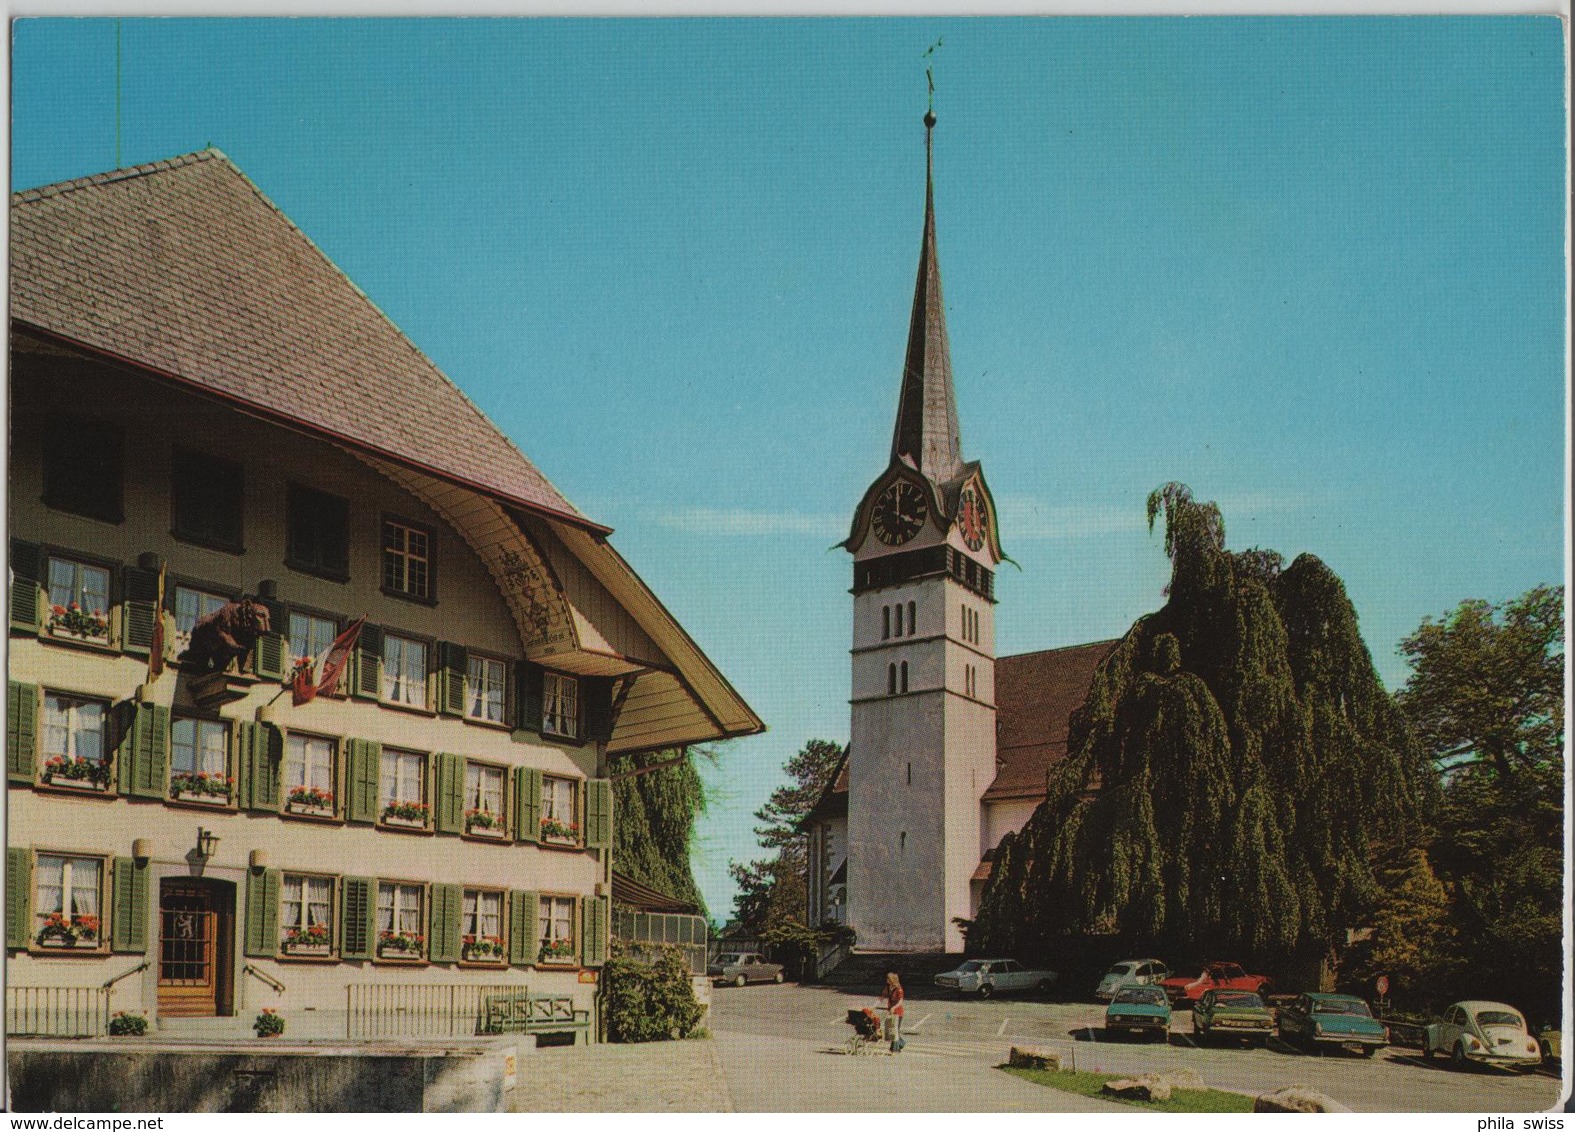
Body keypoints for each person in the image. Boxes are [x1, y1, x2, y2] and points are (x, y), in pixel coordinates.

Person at [881, 972, 906, 1052]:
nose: (886, 980)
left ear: (891, 980)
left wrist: (894, 1007)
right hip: (890, 1011)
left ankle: (895, 1048)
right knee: (891, 1029)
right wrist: (879, 1000)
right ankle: (901, 1044)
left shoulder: (899, 989)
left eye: (888, 979)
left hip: (898, 1012)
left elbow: (900, 1001)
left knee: (895, 1030)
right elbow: (883, 995)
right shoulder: (888, 987)